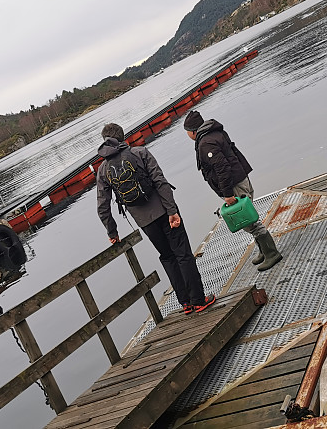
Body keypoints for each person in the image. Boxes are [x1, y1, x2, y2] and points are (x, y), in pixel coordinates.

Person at [96, 123, 215, 314]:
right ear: (123, 136)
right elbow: (160, 182)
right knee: (182, 254)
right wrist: (171, 210)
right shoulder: (140, 153)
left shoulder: (103, 170)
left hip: (145, 222)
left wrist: (112, 231)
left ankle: (185, 303)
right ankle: (199, 300)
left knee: (167, 257)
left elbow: (103, 205)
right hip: (164, 212)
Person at [184, 110, 284, 271]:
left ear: (193, 131)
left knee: (249, 221)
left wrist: (228, 194)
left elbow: (222, 169)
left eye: (187, 131)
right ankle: (263, 251)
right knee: (248, 220)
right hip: (240, 178)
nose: (187, 135)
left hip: (235, 185)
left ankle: (272, 253)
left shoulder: (206, 143)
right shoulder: (214, 133)